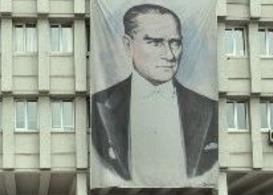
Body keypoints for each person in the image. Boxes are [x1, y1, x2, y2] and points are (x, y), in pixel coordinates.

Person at [91, 4, 218, 185]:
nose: (170, 55)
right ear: (128, 45)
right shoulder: (99, 105)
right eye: (155, 42)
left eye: (175, 43)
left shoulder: (208, 109)